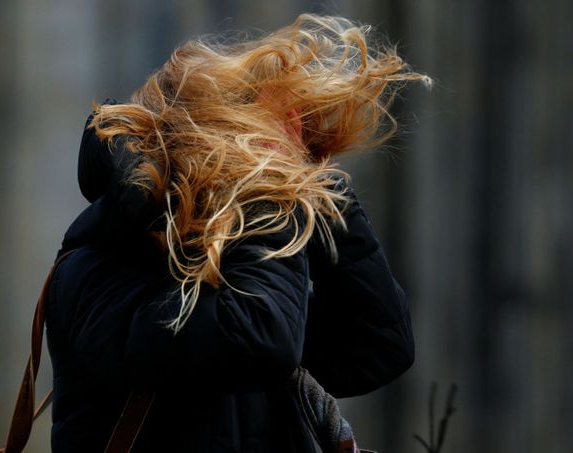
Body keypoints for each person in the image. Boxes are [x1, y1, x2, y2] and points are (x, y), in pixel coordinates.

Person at [45, 13, 430, 453]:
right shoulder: (102, 267)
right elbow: (260, 337)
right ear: (218, 145)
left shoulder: (238, 254)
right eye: (268, 141)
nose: (292, 163)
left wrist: (327, 198)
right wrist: (267, 193)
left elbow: (378, 351)